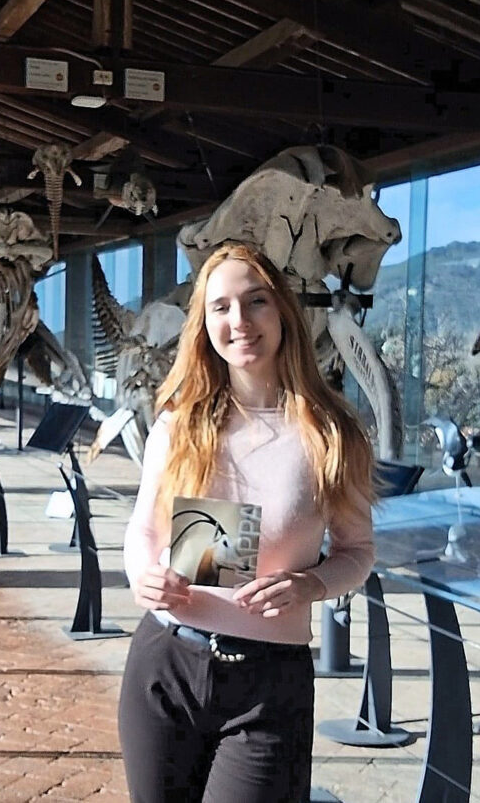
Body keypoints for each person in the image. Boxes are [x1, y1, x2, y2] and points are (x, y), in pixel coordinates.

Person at [117, 243, 376, 802]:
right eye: (221, 307)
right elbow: (143, 532)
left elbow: (358, 551)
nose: (239, 321)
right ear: (203, 323)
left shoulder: (333, 433)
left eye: (256, 301)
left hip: (269, 683)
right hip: (166, 662)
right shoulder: (180, 423)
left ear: (282, 310)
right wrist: (143, 576)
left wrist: (312, 584)